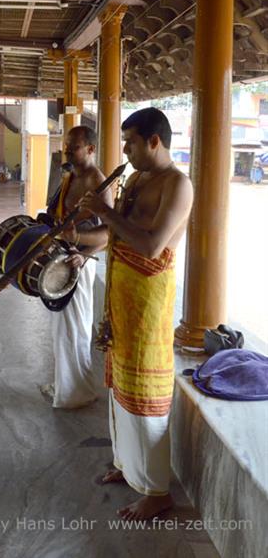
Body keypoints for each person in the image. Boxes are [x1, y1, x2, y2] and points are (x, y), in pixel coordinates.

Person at [66, 108, 193, 519]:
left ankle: (157, 492)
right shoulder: (136, 178)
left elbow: (153, 246)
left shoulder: (178, 185)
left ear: (154, 141)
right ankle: (128, 465)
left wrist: (106, 213)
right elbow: (115, 234)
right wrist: (82, 244)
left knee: (146, 398)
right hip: (121, 298)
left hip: (148, 303)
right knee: (120, 390)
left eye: (131, 142)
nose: (124, 150)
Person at [42, 125, 113, 409]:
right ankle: (65, 385)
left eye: (74, 147)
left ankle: (78, 392)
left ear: (91, 149)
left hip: (79, 263)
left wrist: (83, 256)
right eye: (66, 146)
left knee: (76, 328)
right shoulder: (71, 175)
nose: (67, 151)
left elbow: (108, 234)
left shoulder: (99, 182)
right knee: (61, 329)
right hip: (61, 256)